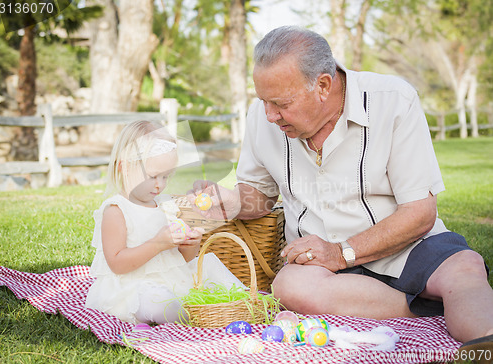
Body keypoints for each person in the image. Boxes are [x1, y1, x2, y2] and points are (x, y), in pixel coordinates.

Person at [189, 26, 493, 355]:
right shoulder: (261, 120)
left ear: (323, 85)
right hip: (319, 268)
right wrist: (230, 201)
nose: (270, 115)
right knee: (289, 286)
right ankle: (429, 309)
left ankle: (485, 342)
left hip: (408, 246)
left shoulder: (393, 101)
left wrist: (340, 252)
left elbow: (419, 214)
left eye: (281, 103)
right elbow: (259, 197)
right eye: (263, 100)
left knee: (464, 269)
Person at [85, 120, 243, 325]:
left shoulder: (165, 205)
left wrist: (191, 244)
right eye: (153, 176)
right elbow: (117, 263)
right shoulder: (116, 210)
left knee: (210, 264)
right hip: (135, 284)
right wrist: (158, 243)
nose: (160, 185)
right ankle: (191, 316)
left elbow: (181, 259)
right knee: (157, 302)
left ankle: (245, 303)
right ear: (124, 168)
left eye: (166, 176)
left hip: (172, 278)